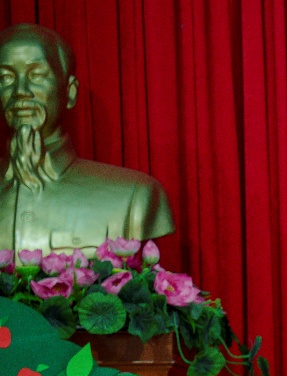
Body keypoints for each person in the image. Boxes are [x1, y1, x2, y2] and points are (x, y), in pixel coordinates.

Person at [0, 23, 174, 253]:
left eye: (37, 75)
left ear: (70, 92)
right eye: (5, 78)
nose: (20, 91)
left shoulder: (134, 196)